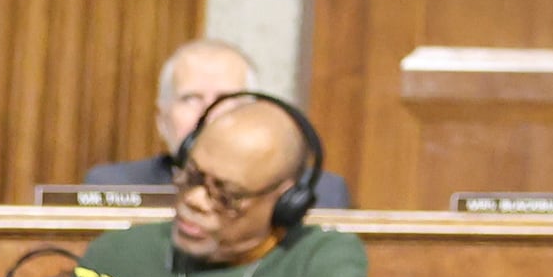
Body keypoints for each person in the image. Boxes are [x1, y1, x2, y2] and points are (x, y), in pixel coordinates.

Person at [44, 88, 370, 277]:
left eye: (225, 194)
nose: (195, 199)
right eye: (192, 175)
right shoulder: (116, 254)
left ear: (285, 201)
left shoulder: (322, 254)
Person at [83, 38, 355, 207]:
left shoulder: (319, 192)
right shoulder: (112, 186)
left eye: (225, 98)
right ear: (161, 120)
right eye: (191, 99)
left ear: (254, 114)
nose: (209, 114)